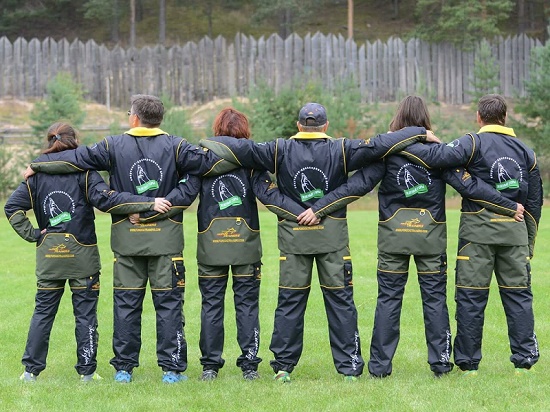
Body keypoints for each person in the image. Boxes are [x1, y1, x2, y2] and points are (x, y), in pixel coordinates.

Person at [199, 102, 439, 382]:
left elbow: (238, 150)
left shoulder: (278, 149)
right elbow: (379, 145)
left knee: (290, 303)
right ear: (325, 126)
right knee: (340, 302)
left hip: (293, 240)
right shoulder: (341, 148)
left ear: (299, 125)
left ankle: (284, 369)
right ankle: (349, 369)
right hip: (333, 241)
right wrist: (419, 133)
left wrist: (206, 142)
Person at [297, 95, 524, 378]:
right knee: (434, 300)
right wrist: (508, 205)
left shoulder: (387, 154)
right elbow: (470, 188)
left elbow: (356, 186)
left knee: (388, 300)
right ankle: (441, 364)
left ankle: (380, 367)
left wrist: (318, 208)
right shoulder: (439, 156)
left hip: (394, 239)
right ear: (425, 120)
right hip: (430, 238)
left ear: (398, 119)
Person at [25, 95, 235, 384]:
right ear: (159, 119)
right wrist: (162, 205)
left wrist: (39, 165)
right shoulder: (178, 146)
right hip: (167, 243)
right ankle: (172, 370)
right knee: (169, 305)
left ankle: (123, 370)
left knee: (126, 304)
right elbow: (201, 174)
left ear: (134, 117)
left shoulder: (111, 146)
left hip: (126, 242)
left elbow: (73, 157)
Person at [5, 122, 172, 383]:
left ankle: (30, 371)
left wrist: (35, 234)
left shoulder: (35, 174)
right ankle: (86, 372)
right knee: (85, 314)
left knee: (42, 313)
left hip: (50, 257)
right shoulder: (84, 172)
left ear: (49, 141)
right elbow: (107, 200)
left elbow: (12, 208)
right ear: (74, 140)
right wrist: (145, 203)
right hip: (83, 257)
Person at [400, 94, 542, 376]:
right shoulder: (526, 151)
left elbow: (438, 159)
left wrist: (414, 141)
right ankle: (524, 363)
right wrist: (528, 241)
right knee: (518, 297)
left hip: (477, 236)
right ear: (505, 117)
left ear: (479, 117)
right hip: (514, 236)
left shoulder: (471, 142)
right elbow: (534, 201)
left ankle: (468, 365)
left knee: (471, 299)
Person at [195, 108, 304, 381]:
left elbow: (183, 194)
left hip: (211, 245)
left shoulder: (202, 160)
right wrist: (304, 212)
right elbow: (270, 196)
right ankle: (249, 366)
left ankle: (210, 366)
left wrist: (145, 210)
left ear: (217, 129)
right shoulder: (252, 162)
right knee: (247, 305)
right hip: (246, 245)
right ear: (244, 131)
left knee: (211, 305)